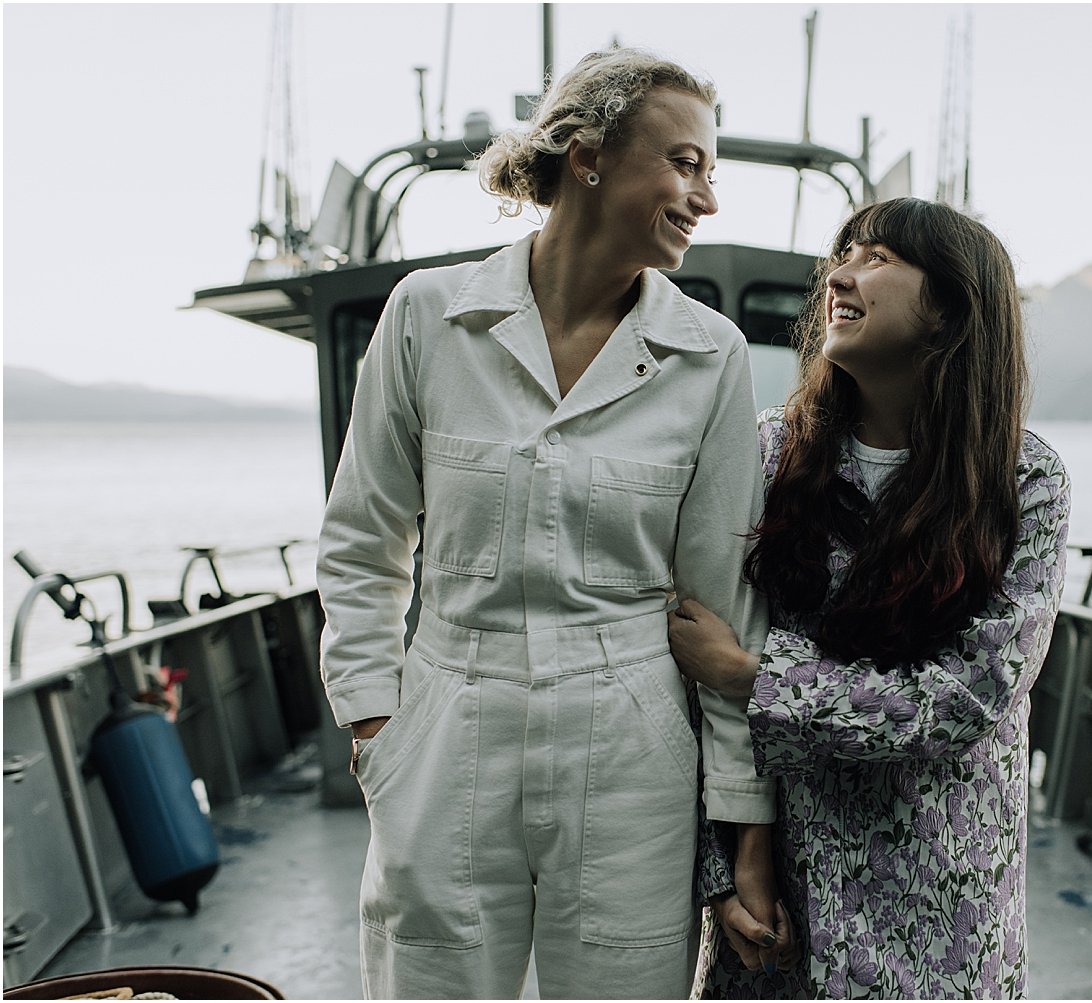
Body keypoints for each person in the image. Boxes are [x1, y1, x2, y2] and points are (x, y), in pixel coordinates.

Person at [316, 48, 780, 999]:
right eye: (686, 163)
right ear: (589, 155)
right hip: (446, 724)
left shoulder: (709, 354)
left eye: (711, 171)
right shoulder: (430, 317)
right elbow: (364, 541)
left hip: (630, 745)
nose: (707, 196)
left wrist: (741, 821)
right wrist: (376, 727)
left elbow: (720, 607)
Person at [669, 196, 1072, 999]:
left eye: (878, 257)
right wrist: (719, 874)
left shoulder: (1022, 481)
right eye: (844, 253)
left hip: (943, 916)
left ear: (949, 310)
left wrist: (755, 677)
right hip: (783, 899)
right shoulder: (767, 454)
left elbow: (962, 700)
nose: (841, 274)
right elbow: (688, 687)